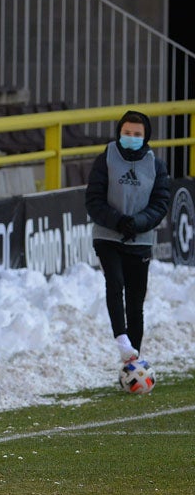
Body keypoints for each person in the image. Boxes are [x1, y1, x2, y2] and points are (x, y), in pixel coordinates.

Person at [84, 109, 170, 369]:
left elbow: (160, 203)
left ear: (146, 137)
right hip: (108, 235)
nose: (131, 137)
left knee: (136, 301)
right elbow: (93, 200)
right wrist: (118, 221)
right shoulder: (105, 159)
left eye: (137, 134)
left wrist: (138, 223)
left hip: (140, 239)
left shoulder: (156, 166)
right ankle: (121, 339)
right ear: (119, 133)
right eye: (127, 133)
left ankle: (132, 363)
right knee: (115, 282)